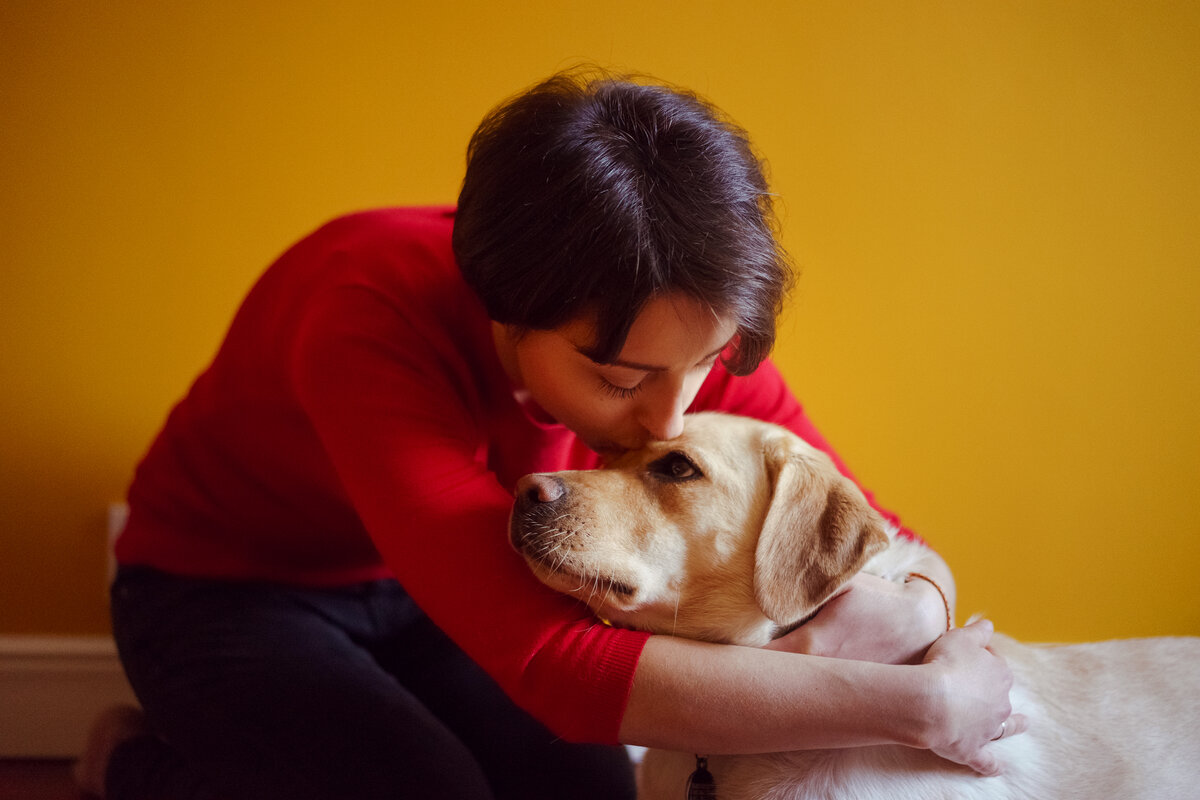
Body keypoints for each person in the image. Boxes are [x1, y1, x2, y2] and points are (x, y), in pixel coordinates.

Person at [77, 68, 1022, 800]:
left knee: (581, 791)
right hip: (227, 591)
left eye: (705, 367)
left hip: (434, 594)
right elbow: (557, 671)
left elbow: (881, 530)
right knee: (422, 795)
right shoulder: (361, 308)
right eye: (620, 381)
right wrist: (925, 704)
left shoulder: (669, 332)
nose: (672, 414)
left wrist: (924, 611)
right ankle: (129, 764)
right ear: (504, 309)